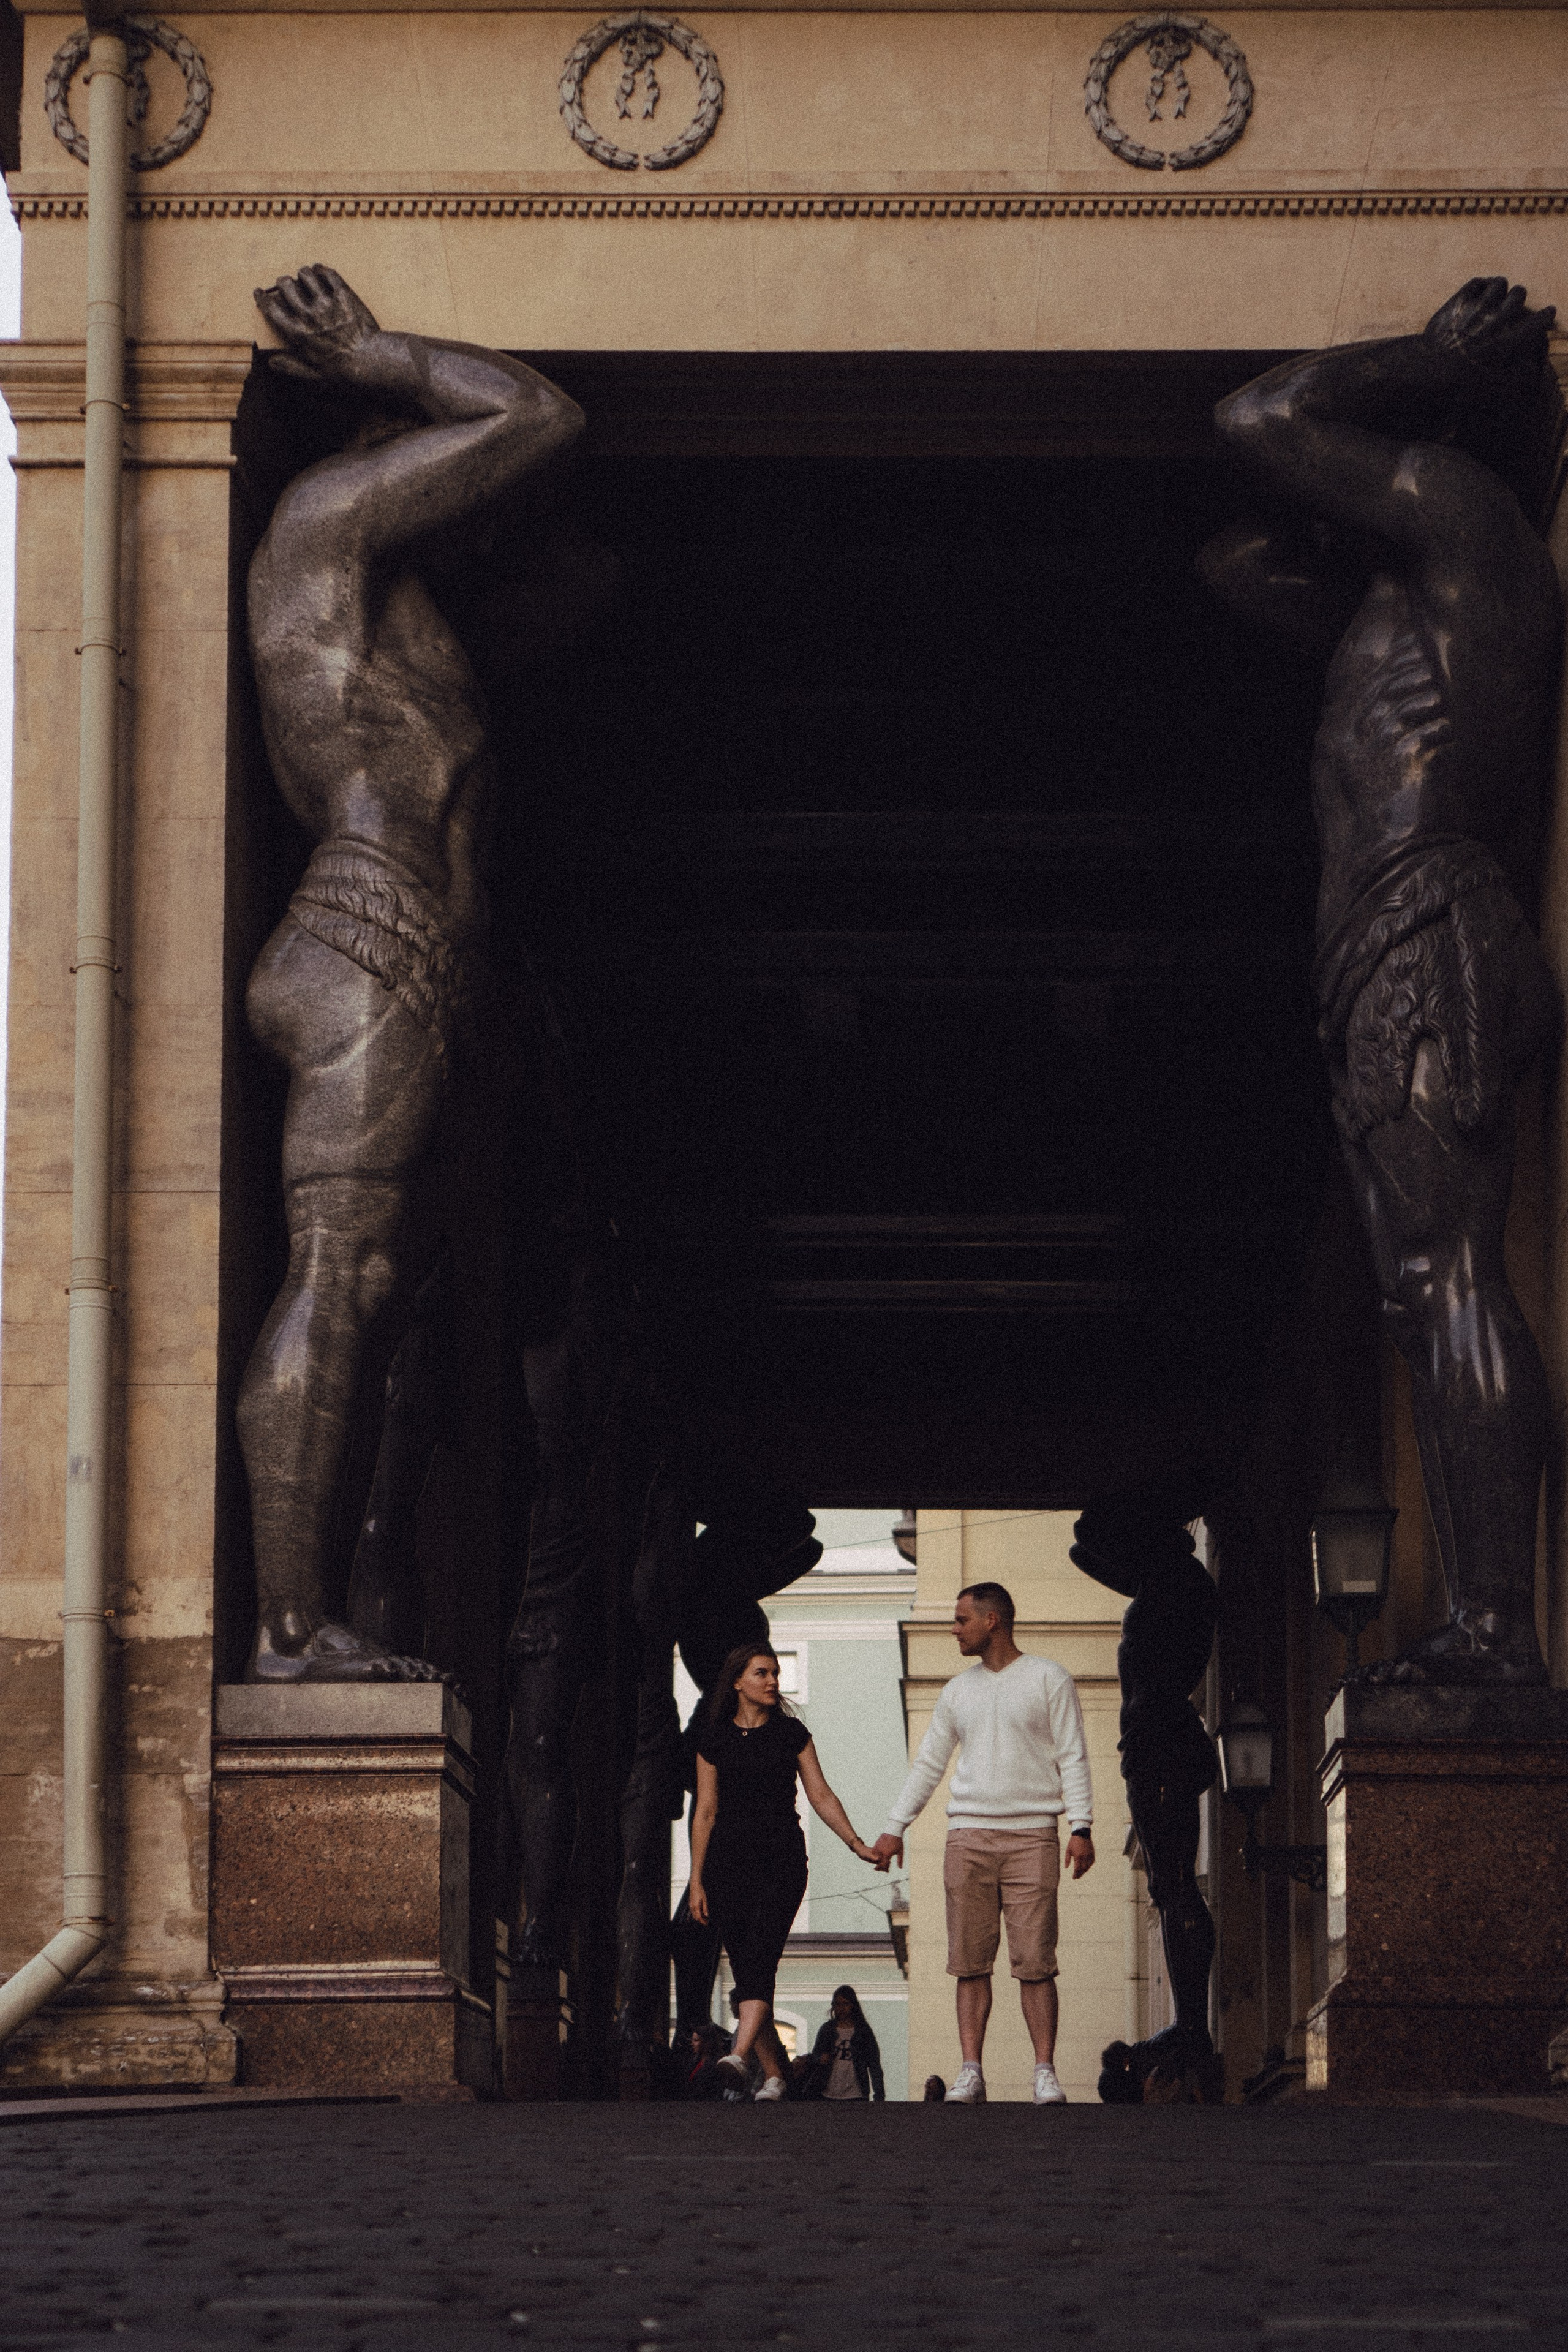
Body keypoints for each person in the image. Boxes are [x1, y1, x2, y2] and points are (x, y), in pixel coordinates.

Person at [1199, 277, 1562, 1685]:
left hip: (1428, 927)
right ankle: (1485, 1617)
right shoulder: (1395, 595)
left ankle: (1500, 1626)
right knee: (1420, 1292)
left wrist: (1413, 365)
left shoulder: (1468, 529)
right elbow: (1239, 558)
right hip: (1378, 957)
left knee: (1447, 1270)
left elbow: (1260, 414)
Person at [239, 264, 584, 1682]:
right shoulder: (327, 517)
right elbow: (535, 415)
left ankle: (312, 1609)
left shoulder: (402, 610)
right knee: (344, 1271)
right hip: (365, 933)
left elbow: (583, 575)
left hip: (401, 955)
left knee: (384, 1304)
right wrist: (384, 357)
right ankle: (286, 1626)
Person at [870, 1582, 1093, 2105]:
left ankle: (1045, 2072)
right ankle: (970, 2071)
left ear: (991, 1621)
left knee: (1036, 1960)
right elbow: (929, 1764)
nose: (953, 1628)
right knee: (969, 1961)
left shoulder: (1047, 1678)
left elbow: (1073, 1756)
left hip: (1033, 1835)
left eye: (961, 1619)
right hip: (966, 1835)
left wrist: (1080, 1827)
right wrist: (894, 1826)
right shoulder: (956, 1692)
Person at [689, 1644, 881, 2101]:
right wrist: (696, 1879)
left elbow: (821, 1796)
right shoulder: (712, 1739)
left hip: (781, 1862)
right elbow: (705, 1813)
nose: (773, 1681)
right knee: (748, 1968)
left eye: (776, 1673)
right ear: (738, 1681)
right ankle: (776, 2076)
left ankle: (737, 2057)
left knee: (762, 1958)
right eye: (763, 1673)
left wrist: (856, 1843)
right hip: (726, 1867)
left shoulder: (791, 1734)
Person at [804, 1986, 885, 2103]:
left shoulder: (863, 2032)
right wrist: (820, 2059)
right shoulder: (827, 2030)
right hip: (827, 2093)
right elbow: (815, 2055)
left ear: (853, 2006)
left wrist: (879, 2097)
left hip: (856, 2095)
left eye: (845, 2004)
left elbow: (874, 2065)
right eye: (838, 2004)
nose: (841, 2008)